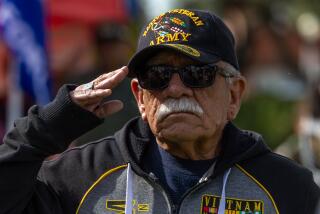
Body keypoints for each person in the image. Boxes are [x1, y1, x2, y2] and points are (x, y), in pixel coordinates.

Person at [0, 9, 319, 214]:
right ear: (140, 97)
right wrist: (48, 129)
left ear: (234, 94)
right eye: (158, 76)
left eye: (197, 74)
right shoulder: (79, 175)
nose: (175, 89)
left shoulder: (288, 187)